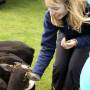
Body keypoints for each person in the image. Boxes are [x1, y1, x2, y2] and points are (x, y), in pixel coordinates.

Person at [30, 0, 90, 90]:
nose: (51, 13)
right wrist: (35, 75)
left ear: (69, 5)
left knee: (73, 69)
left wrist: (77, 41)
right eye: (49, 8)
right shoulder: (49, 16)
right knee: (59, 67)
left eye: (55, 8)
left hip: (85, 41)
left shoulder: (86, 11)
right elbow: (47, 47)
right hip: (65, 36)